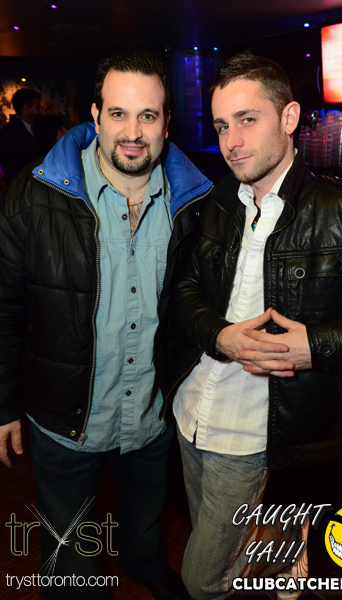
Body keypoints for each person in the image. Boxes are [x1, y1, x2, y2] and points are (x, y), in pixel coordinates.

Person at [156, 51, 342, 600]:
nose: (231, 141)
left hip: (259, 430)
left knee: (202, 580)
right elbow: (185, 290)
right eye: (222, 125)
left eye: (247, 119)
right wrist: (219, 335)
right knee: (241, 551)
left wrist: (319, 345)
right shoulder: (219, 199)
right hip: (193, 410)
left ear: (289, 118)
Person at [0, 50, 212, 600]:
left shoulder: (196, 201)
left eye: (148, 115)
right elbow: (4, 307)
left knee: (145, 517)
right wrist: (3, 405)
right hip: (64, 418)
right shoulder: (32, 195)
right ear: (95, 116)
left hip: (151, 414)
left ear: (167, 121)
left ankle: (145, 565)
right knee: (71, 555)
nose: (133, 132)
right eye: (118, 113)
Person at [0, 87, 42, 184]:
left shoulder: (39, 128)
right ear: (26, 108)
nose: (40, 111)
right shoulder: (9, 133)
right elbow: (10, 168)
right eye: (37, 107)